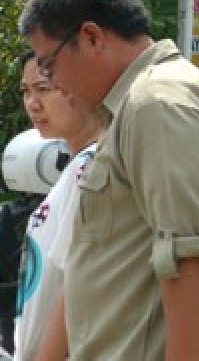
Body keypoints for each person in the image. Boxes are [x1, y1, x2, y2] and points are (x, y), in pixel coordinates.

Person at [18, 0, 199, 360]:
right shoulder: (132, 110)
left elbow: (191, 257)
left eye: (49, 66)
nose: (54, 83)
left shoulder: (157, 104)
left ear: (92, 37)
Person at [13, 48, 105, 361]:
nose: (32, 103)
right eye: (26, 91)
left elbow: (77, 286)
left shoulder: (90, 169)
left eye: (43, 89)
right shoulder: (78, 166)